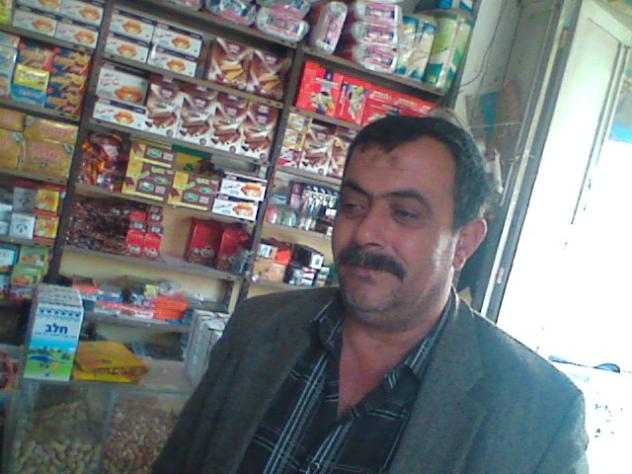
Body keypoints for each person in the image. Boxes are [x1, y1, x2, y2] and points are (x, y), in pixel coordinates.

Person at [153, 116, 588, 474]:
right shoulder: (258, 326)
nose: (365, 233)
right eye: (353, 206)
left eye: (405, 213)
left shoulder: (541, 415)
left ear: (464, 244)